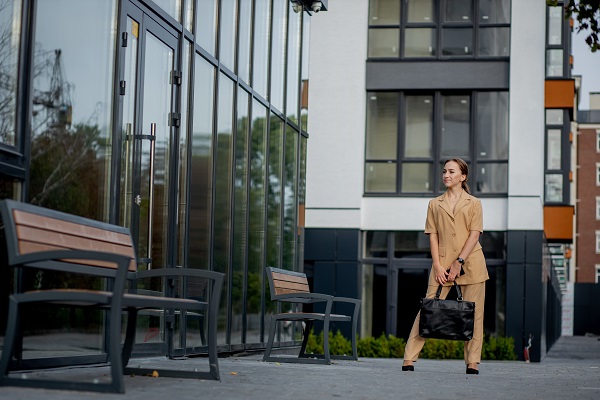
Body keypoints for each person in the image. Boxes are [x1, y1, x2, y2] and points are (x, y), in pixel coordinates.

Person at [402, 158, 489, 375]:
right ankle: (409, 357)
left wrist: (459, 262)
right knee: (428, 308)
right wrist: (438, 266)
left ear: (463, 176)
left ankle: (472, 362)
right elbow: (433, 236)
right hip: (441, 265)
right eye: (444, 171)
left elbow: (475, 234)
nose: (446, 175)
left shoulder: (474, 203)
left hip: (471, 264)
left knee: (475, 314)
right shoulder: (434, 204)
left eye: (451, 171)